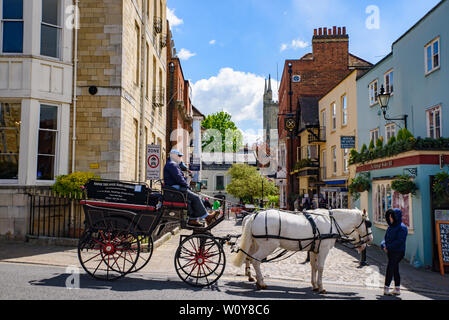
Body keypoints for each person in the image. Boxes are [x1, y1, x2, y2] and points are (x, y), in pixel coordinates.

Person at [164, 149, 219, 227]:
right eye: (179, 156)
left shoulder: (171, 164)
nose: (180, 158)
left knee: (190, 200)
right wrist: (187, 186)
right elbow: (179, 178)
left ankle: (192, 219)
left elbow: (179, 177)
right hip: (176, 190)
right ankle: (207, 217)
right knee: (196, 197)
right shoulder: (172, 164)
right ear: (173, 156)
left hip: (174, 189)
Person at [381, 208, 408, 296]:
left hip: (398, 252)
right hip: (390, 251)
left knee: (390, 268)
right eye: (389, 217)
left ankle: (386, 288)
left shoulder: (402, 227)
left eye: (391, 216)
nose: (390, 218)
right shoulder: (390, 227)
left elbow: (400, 241)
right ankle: (397, 288)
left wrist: (388, 247)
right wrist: (383, 245)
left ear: (396, 217)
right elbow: (385, 238)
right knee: (395, 268)